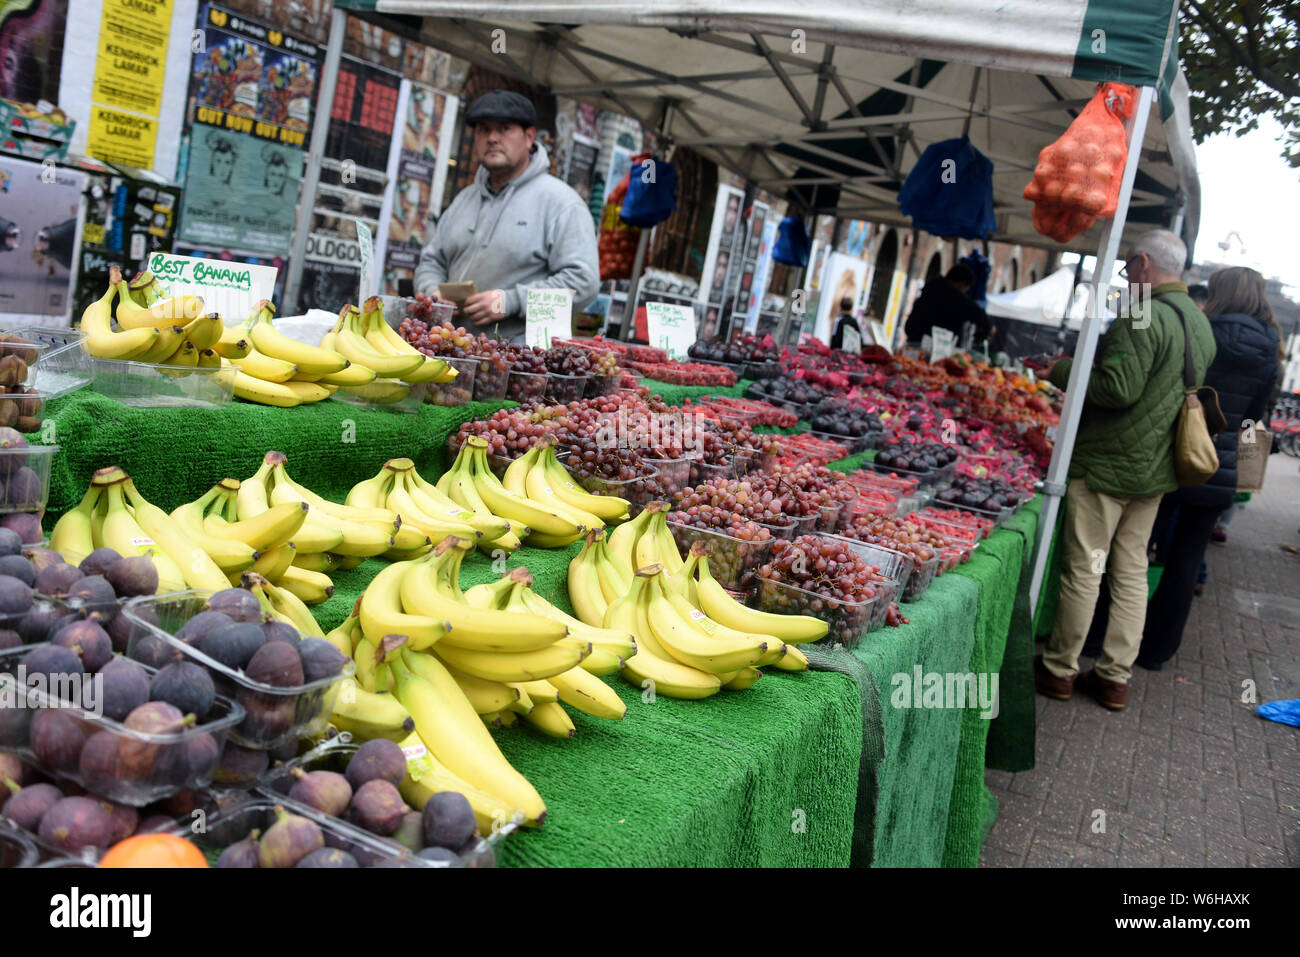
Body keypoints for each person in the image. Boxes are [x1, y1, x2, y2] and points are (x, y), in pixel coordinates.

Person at [1034, 229, 1215, 712]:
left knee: (1086, 569)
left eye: (1127, 268)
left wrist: (1061, 370)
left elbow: (1118, 388)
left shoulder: (1140, 312)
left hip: (1107, 465)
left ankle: (1059, 669)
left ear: (1142, 265)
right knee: (1131, 571)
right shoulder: (1199, 321)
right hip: (1156, 472)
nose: (1125, 277)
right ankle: (1115, 677)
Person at [1135, 267, 1282, 670]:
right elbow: (1254, 415)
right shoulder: (1270, 348)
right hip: (1219, 461)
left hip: (1172, 453)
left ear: (1219, 293)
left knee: (1137, 549)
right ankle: (1156, 652)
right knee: (1187, 558)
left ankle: (1107, 638)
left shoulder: (1201, 329)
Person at [415, 90, 599, 343]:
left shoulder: (562, 204)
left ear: (529, 137)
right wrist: (432, 292)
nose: (492, 138)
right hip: (450, 350)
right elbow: (431, 260)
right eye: (484, 129)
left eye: (504, 129)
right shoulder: (463, 199)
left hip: (518, 364)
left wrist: (510, 301)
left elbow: (583, 283)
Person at [903, 264, 992, 348]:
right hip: (930, 348)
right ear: (961, 284)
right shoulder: (953, 297)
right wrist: (989, 327)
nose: (964, 293)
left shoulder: (931, 288)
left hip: (912, 342)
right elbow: (978, 314)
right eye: (965, 290)